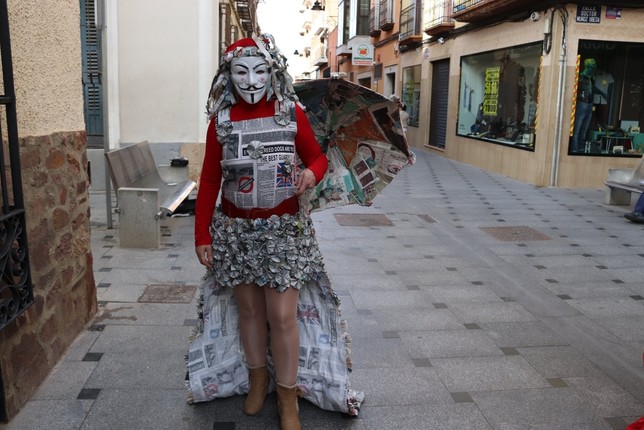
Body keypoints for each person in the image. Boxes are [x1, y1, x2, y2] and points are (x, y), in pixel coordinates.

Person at [187, 34, 362, 429]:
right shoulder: (223, 120)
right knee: (248, 310)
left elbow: (317, 157)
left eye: (260, 71)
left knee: (282, 316)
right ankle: (256, 381)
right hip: (236, 232)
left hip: (285, 233)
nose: (251, 81)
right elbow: (210, 180)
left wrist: (309, 174)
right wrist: (202, 235)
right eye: (241, 71)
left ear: (273, 71)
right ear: (228, 75)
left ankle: (287, 397)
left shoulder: (289, 112)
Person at [571, 58, 607, 153]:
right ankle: (574, 148)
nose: (594, 67)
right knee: (578, 129)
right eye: (593, 65)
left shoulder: (591, 78)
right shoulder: (580, 77)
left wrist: (602, 93)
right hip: (582, 103)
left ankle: (581, 148)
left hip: (589, 104)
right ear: (588, 66)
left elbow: (593, 89)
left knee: (584, 129)